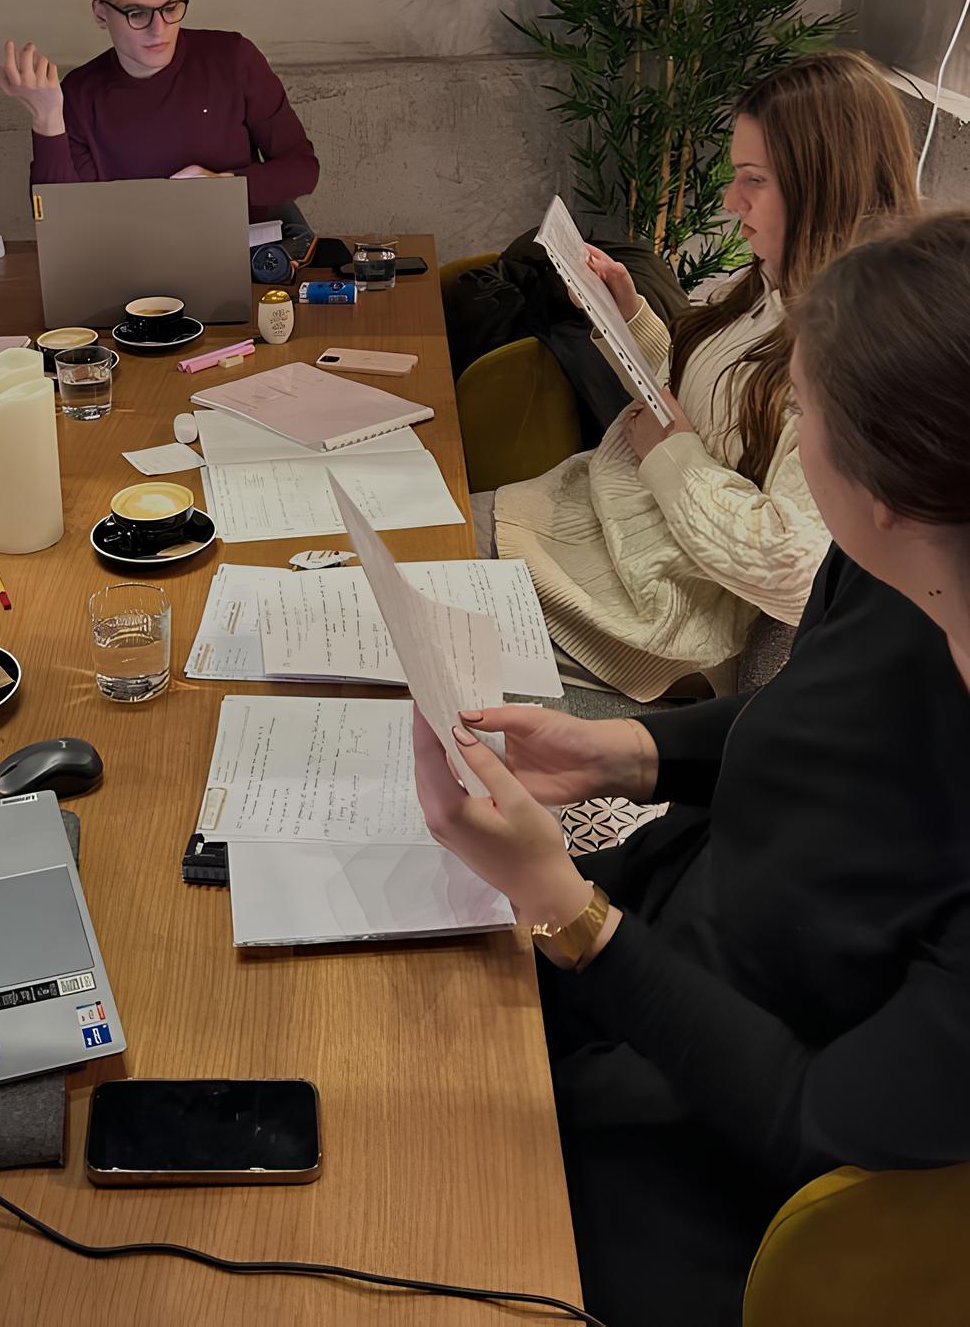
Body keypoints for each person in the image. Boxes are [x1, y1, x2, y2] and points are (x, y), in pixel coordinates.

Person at [415, 209, 970, 1327]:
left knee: (420, 1194)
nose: (790, 436)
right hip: (668, 945)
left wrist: (568, 913)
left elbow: (817, 1122)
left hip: (720, 1145)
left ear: (882, 486)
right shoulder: (901, 568)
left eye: (803, 409)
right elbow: (802, 731)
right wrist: (620, 749)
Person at [488, 50, 919, 698]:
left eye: (754, 179)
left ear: (821, 182)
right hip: (577, 521)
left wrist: (670, 457)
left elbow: (793, 563)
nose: (728, 200)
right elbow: (697, 405)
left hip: (631, 607)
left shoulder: (854, 356)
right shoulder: (764, 286)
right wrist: (628, 318)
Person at [0, 0, 319, 222]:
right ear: (101, 13)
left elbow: (302, 169)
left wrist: (225, 185)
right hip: (129, 268)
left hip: (245, 258)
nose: (158, 30)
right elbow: (61, 221)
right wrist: (47, 120)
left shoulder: (232, 58)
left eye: (171, 7)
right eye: (137, 13)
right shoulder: (79, 93)